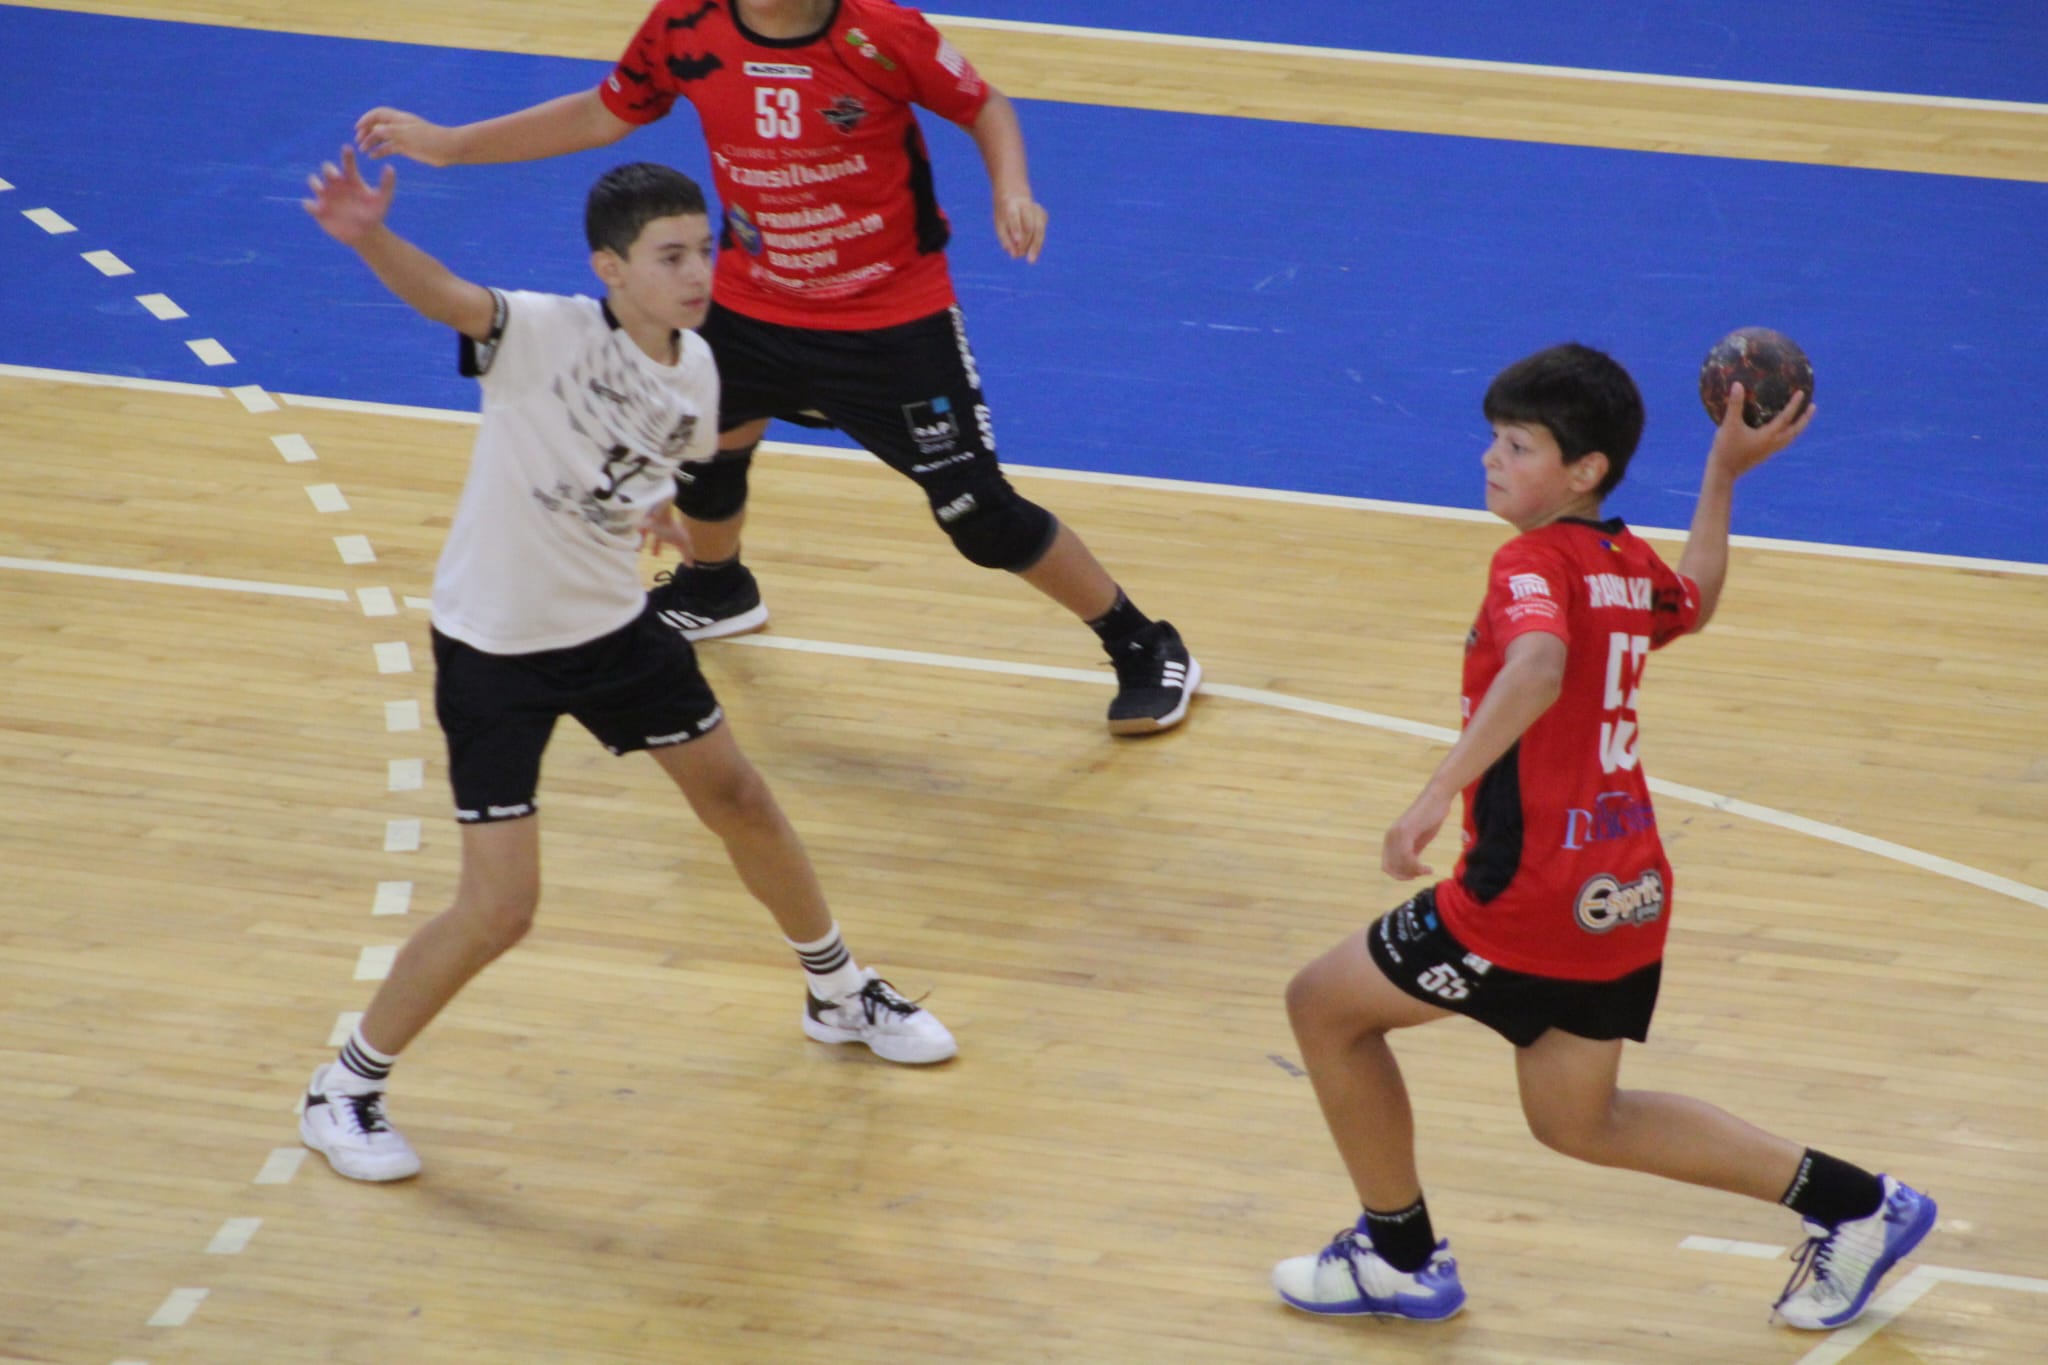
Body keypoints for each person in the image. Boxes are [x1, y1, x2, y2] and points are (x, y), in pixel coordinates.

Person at [296, 149, 956, 1183]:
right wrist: (370, 235)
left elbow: (651, 460)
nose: (697, 273)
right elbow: (449, 297)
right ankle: (343, 1087)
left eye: (704, 249)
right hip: (498, 650)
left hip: (614, 632)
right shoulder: (542, 332)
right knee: (501, 909)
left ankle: (837, 991)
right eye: (669, 256)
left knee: (741, 799)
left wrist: (653, 509)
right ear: (611, 268)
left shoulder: (696, 369)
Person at [1271, 344, 1935, 1331]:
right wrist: (1721, 476)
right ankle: (1861, 1205)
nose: (1491, 458)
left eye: (1518, 445)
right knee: (1580, 1120)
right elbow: (1693, 599)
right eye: (1493, 438)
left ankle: (1399, 1258)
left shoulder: (1530, 563)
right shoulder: (1624, 562)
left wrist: (1433, 793)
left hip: (1528, 894)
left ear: (1584, 470)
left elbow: (1537, 667)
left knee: (1324, 1007)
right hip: (1623, 889)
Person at [352, 0, 1200, 736]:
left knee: (978, 514)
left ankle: (1142, 641)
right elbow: (603, 114)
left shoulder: (879, 34)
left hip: (890, 320)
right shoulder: (688, 26)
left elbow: (983, 105)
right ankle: (716, 587)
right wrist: (451, 145)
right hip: (751, 304)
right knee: (704, 448)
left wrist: (1011, 188)